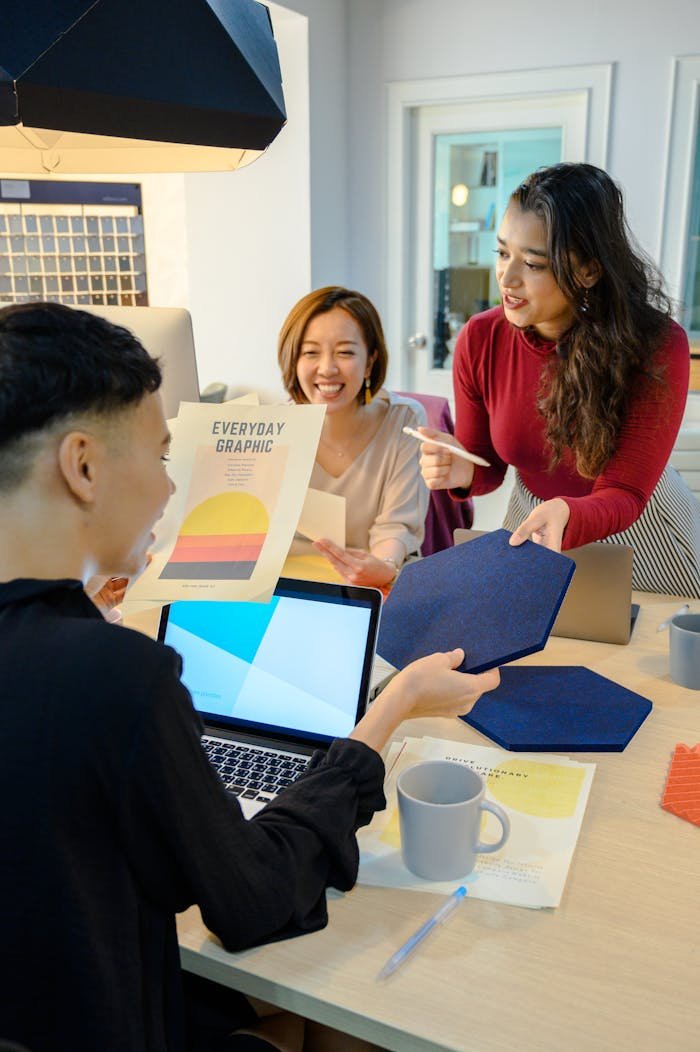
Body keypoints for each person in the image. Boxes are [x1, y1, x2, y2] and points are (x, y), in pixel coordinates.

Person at [0, 302, 499, 1052]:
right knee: (325, 1016)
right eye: (162, 457)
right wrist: (392, 705)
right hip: (114, 1021)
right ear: (83, 465)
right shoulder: (118, 678)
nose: (170, 492)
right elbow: (252, 899)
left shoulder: (81, 654)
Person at [419, 162, 700, 598]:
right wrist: (463, 469)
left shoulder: (657, 346)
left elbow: (625, 491)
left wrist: (569, 513)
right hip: (534, 519)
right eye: (502, 253)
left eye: (533, 263)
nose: (507, 278)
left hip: (643, 529)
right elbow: (488, 464)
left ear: (588, 270)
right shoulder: (480, 338)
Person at [278, 286, 429, 590]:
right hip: (292, 587)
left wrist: (382, 568)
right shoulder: (273, 430)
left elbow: (395, 527)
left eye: (345, 352)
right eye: (310, 352)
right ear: (293, 360)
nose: (327, 369)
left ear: (370, 361)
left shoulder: (404, 421)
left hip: (371, 585)